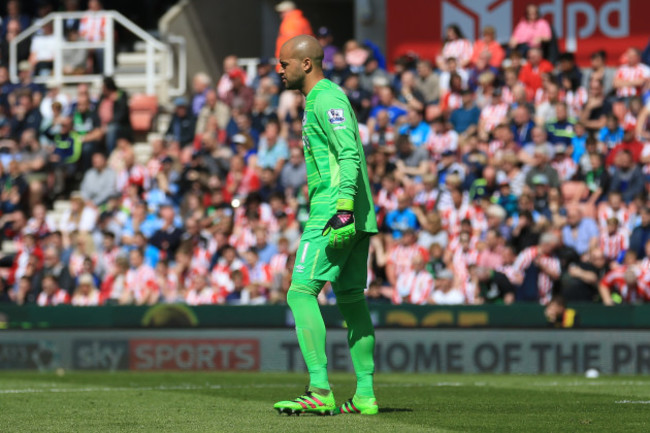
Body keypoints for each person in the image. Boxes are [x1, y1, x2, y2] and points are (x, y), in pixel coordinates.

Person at [274, 35, 378, 416]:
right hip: (355, 211)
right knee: (350, 299)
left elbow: (350, 152)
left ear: (305, 64)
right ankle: (365, 394)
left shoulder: (326, 98)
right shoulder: (320, 99)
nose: (278, 70)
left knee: (300, 293)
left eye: (284, 63)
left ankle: (319, 388)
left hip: (335, 209)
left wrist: (344, 207)